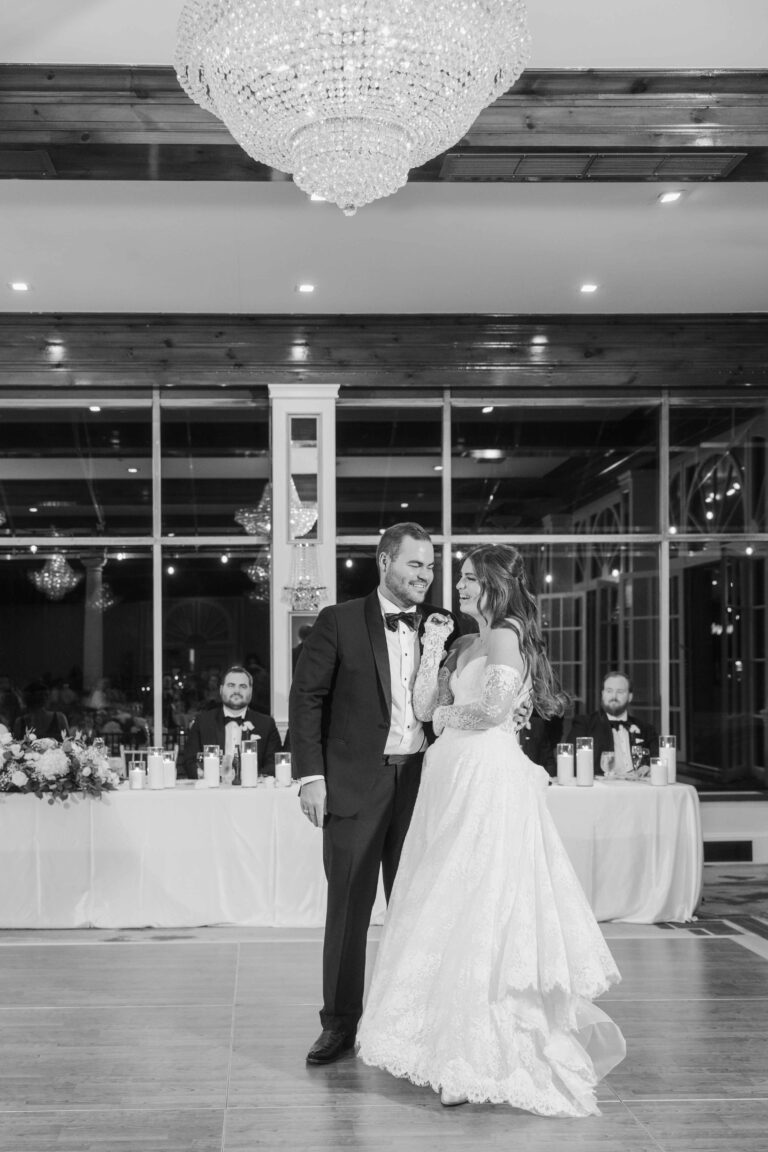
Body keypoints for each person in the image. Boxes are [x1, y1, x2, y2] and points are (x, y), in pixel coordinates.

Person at [356, 544, 626, 1117]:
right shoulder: (463, 643)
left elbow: (493, 712)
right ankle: (438, 1041)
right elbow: (423, 705)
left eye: (469, 578)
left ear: (496, 584)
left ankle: (472, 1056)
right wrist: (433, 649)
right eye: (458, 577)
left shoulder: (505, 635)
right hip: (448, 778)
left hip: (486, 777)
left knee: (479, 902)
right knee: (442, 901)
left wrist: (442, 717)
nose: (457, 586)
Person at [288, 522, 460, 1067]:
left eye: (430, 566)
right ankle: (339, 1024)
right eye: (415, 564)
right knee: (349, 912)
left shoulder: (443, 626)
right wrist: (311, 777)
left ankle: (410, 1023)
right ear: (385, 562)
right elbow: (306, 699)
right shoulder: (338, 621)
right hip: (354, 786)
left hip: (420, 785)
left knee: (416, 911)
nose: (425, 576)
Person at [179, 665, 282, 779]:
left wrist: (248, 779)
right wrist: (209, 777)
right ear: (221, 689)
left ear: (251, 691)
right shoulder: (202, 722)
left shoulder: (266, 724)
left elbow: (273, 765)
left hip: (253, 788)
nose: (237, 691)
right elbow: (189, 761)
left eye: (243, 686)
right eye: (231, 685)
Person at [568, 671, 659, 775]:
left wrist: (649, 768)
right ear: (602, 694)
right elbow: (573, 764)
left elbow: (657, 761)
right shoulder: (584, 725)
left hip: (638, 784)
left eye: (620, 692)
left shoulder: (646, 729)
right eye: (609, 691)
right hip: (601, 784)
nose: (614, 696)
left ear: (630, 697)